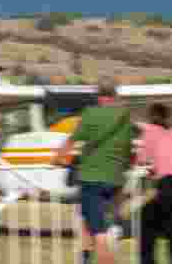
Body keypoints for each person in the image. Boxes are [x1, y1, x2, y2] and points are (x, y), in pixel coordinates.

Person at [54, 78, 136, 264]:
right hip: (115, 180)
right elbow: (129, 151)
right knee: (90, 221)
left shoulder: (90, 113)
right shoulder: (125, 117)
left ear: (99, 97)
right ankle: (85, 258)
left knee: (98, 234)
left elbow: (71, 140)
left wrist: (57, 159)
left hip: (92, 179)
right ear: (114, 97)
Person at [136, 104, 172, 264]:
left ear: (151, 116)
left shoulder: (150, 131)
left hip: (169, 183)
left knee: (147, 222)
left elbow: (142, 160)